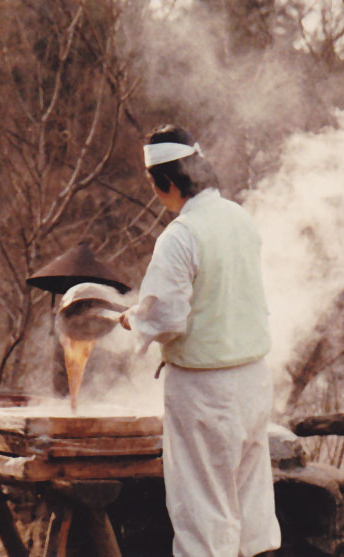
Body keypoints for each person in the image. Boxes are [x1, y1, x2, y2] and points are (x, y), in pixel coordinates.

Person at [120, 124, 281, 557]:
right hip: (253, 379)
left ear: (168, 182)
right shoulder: (239, 217)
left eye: (154, 185)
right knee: (251, 506)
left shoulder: (181, 235)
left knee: (203, 511)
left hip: (205, 391)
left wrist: (133, 320)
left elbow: (166, 319)